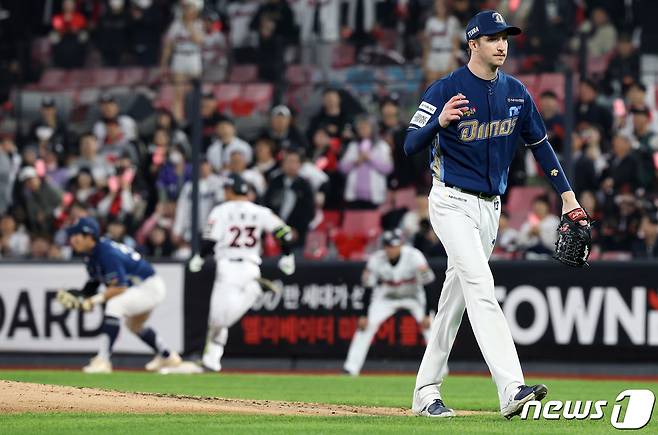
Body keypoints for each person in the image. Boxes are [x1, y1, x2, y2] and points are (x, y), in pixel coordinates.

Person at [403, 10, 588, 419]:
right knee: (481, 286)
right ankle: (511, 388)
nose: (502, 44)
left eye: (505, 37)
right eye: (492, 38)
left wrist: (567, 196)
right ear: (473, 44)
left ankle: (425, 393)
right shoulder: (446, 88)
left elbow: (541, 146)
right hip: (450, 201)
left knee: (454, 303)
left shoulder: (517, 92)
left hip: (490, 210)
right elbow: (409, 145)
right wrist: (438, 121)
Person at [184, 174, 295, 372]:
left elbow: (210, 240)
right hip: (252, 265)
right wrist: (287, 255)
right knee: (221, 318)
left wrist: (200, 257)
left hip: (229, 266)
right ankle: (212, 360)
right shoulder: (260, 211)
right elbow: (283, 232)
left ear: (229, 191)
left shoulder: (221, 210)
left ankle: (255, 289)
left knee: (218, 319)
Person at [64, 217, 181, 373]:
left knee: (114, 305)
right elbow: (95, 281)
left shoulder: (106, 253)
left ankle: (103, 360)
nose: (72, 240)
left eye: (75, 235)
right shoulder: (92, 253)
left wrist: (93, 301)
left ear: (89, 236)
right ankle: (167, 357)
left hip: (149, 286)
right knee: (134, 325)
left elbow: (120, 288)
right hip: (144, 286)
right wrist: (84, 296)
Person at [343, 229, 436, 376]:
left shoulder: (414, 256)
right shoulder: (376, 259)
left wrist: (427, 313)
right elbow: (368, 289)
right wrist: (363, 315)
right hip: (387, 295)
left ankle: (441, 371)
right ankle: (350, 368)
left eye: (394, 245)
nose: (391, 249)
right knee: (366, 325)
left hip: (413, 295)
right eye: (388, 245)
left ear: (401, 244)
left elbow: (428, 285)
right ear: (384, 246)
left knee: (431, 327)